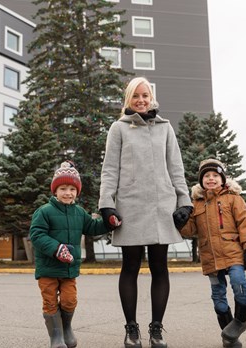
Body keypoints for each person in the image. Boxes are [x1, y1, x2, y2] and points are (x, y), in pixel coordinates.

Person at [98, 76, 193, 348]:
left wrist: (184, 202)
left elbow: (176, 168)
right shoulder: (119, 128)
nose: (141, 100)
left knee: (159, 268)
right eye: (136, 96)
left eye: (145, 95)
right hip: (130, 206)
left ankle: (156, 329)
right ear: (128, 99)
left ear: (151, 98)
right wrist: (107, 203)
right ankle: (131, 329)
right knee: (130, 268)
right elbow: (109, 170)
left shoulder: (165, 128)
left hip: (162, 207)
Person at [30, 161, 118, 348]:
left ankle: (66, 328)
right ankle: (56, 336)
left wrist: (108, 222)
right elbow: (37, 235)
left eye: (72, 188)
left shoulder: (79, 212)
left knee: (70, 301)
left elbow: (92, 227)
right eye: (63, 188)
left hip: (69, 269)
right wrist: (57, 249)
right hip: (48, 268)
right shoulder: (44, 211)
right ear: (55, 191)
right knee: (50, 301)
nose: (68, 192)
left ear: (77, 191)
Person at [179, 159, 246, 348]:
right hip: (210, 257)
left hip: (233, 253)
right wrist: (180, 221)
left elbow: (245, 224)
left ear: (223, 179)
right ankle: (229, 338)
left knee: (239, 284)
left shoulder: (233, 198)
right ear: (201, 180)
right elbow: (190, 230)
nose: (211, 179)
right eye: (206, 176)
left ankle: (240, 321)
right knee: (218, 298)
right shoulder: (196, 204)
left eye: (215, 175)